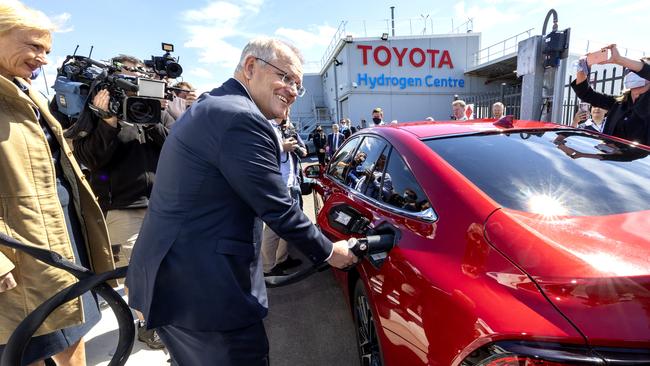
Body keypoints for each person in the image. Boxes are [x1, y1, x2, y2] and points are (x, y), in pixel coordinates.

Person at [125, 37, 358, 365]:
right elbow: (277, 207)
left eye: (298, 85)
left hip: (179, 283)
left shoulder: (212, 106)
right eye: (286, 77)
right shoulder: (240, 118)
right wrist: (332, 252)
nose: (292, 90)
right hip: (206, 295)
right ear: (251, 67)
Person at [0, 2, 114, 365]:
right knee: (27, 346)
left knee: (72, 330)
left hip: (58, 235)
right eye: (34, 46)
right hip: (19, 250)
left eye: (46, 50)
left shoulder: (25, 94)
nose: (43, 59)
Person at [71, 54, 170, 349]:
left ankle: (162, 318)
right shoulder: (95, 111)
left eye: (139, 72)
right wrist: (108, 122)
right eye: (129, 72)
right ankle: (146, 324)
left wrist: (153, 118)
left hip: (161, 205)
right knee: (138, 272)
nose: (135, 78)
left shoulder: (153, 111)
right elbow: (90, 159)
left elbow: (174, 148)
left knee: (164, 269)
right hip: (124, 208)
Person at [571, 44, 650, 145]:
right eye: (632, 71)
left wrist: (620, 60)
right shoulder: (618, 103)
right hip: (610, 159)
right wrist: (582, 67)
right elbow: (585, 93)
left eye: (640, 72)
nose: (635, 74)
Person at [262, 117, 306, 276]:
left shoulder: (288, 128)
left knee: (287, 225)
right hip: (275, 184)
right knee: (273, 228)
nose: (287, 113)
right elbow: (259, 151)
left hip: (291, 181)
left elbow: (303, 149)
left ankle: (281, 258)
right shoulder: (265, 125)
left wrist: (297, 145)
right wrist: (282, 147)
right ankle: (268, 267)